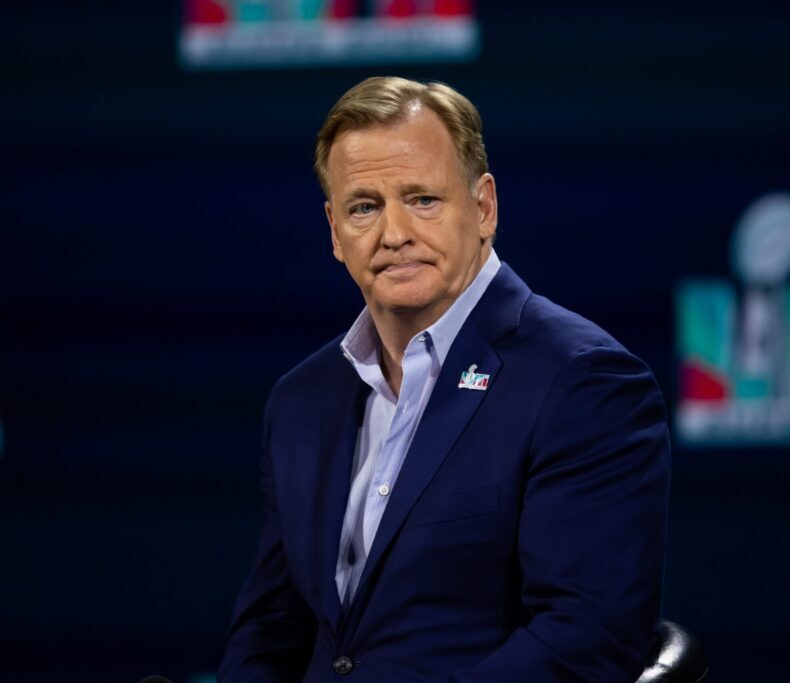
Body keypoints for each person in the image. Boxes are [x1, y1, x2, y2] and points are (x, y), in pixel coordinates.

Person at [219, 76, 671, 683]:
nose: (395, 233)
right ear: (334, 231)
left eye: (423, 199)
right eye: (364, 207)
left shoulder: (582, 380)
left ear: (483, 207)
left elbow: (585, 636)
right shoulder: (303, 399)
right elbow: (272, 630)